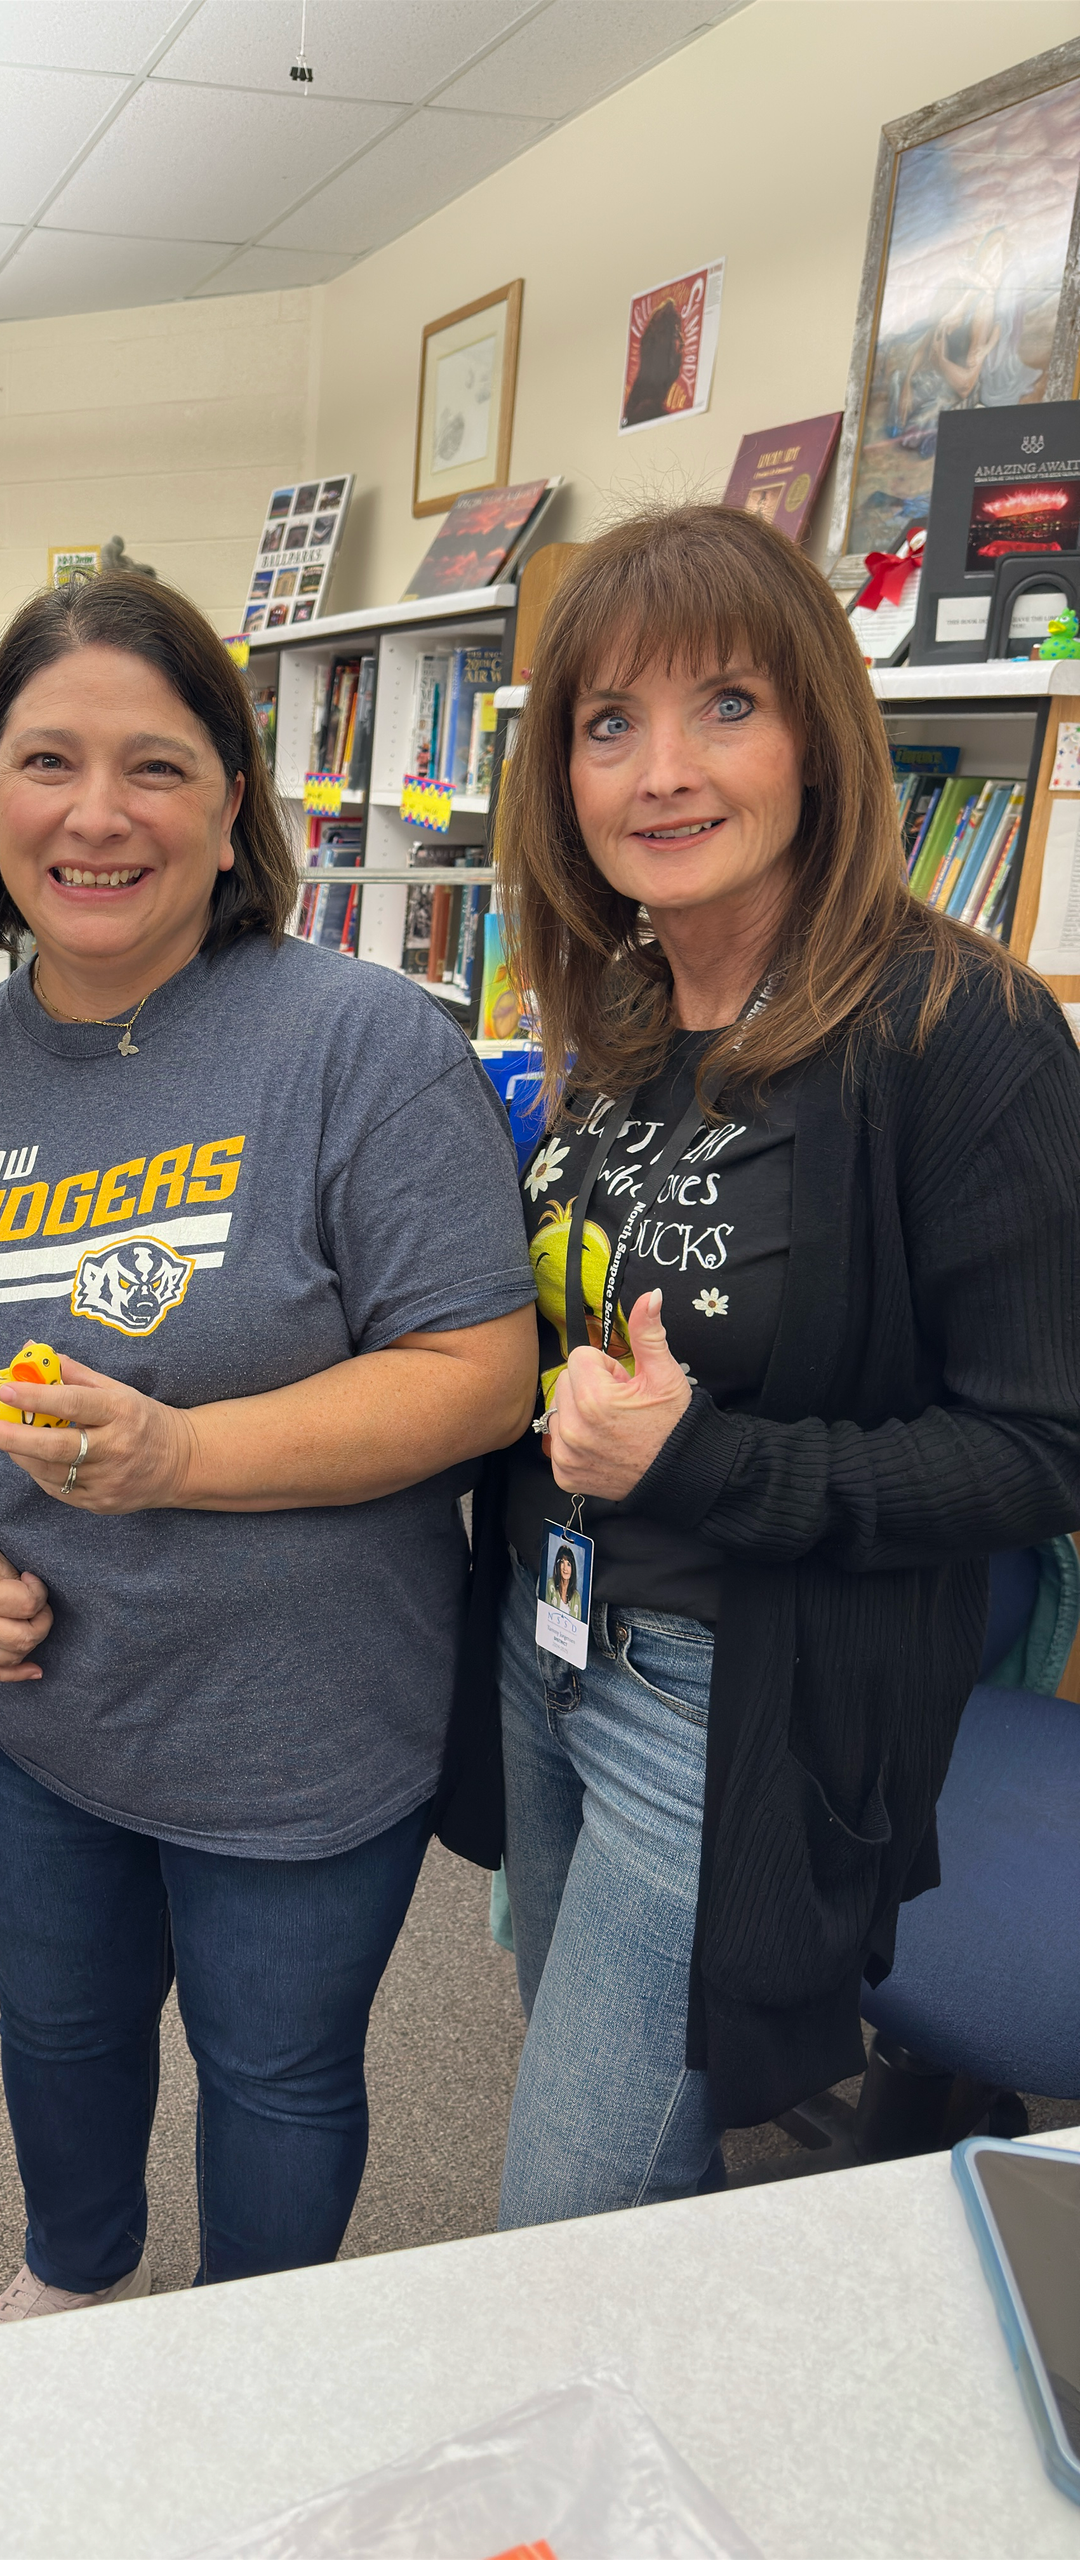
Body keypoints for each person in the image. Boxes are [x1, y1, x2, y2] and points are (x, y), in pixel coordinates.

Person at [0, 571, 537, 2320]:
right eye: (47, 764)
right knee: (56, 2024)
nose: (96, 814)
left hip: (302, 1730)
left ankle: (251, 2361)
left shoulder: (361, 1045)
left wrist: (179, 1459)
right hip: (41, 1714)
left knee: (277, 2072)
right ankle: (74, 2281)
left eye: (155, 766)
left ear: (232, 807)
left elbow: (480, 1371)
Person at [443, 502, 1080, 2228]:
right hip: (551, 1647)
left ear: (816, 732)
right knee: (625, 2176)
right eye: (609, 723)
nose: (664, 769)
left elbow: (1043, 1451)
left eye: (725, 703)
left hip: (733, 1701)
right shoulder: (623, 1016)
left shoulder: (963, 1034)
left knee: (559, 2216)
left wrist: (707, 1463)